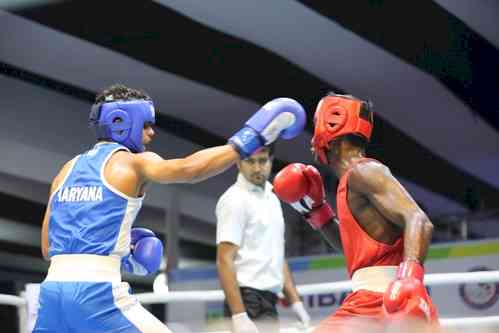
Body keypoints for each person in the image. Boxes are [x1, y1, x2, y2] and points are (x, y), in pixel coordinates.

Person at [33, 84, 306, 333]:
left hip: (52, 295)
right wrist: (248, 141)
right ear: (122, 122)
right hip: (96, 295)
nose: (151, 133)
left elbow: (48, 247)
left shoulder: (66, 171)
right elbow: (189, 169)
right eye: (146, 125)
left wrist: (123, 251)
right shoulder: (133, 163)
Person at [273, 93, 440, 332]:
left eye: (316, 125)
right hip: (378, 301)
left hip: (379, 303)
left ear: (331, 126)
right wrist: (317, 211)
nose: (311, 141)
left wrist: (410, 279)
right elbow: (351, 248)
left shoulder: (365, 171)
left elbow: (419, 220)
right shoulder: (351, 180)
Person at [216, 145, 310, 333]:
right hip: (246, 300)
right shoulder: (234, 199)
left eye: (262, 160)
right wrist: (239, 316)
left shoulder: (272, 197)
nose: (257, 168)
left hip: (268, 301)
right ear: (238, 162)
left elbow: (276, 254)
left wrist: (296, 302)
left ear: (271, 160)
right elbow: (224, 259)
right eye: (250, 161)